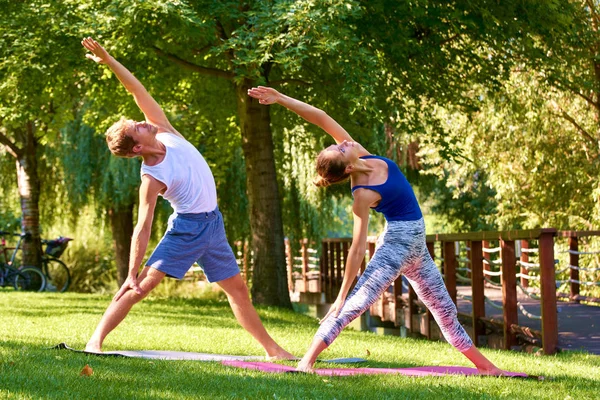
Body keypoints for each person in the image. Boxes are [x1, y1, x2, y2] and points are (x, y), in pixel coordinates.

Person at [247, 86, 504, 375]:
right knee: (355, 303)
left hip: (417, 248)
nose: (344, 142)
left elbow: (319, 117)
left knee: (444, 311)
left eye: (340, 144)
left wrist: (280, 98)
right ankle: (307, 362)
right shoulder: (362, 195)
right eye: (341, 148)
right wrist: (341, 294)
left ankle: (486, 367)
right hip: (397, 244)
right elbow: (356, 248)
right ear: (346, 168)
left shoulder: (363, 155)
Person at [80, 38, 294, 360]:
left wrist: (110, 61)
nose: (142, 121)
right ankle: (95, 341)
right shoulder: (152, 177)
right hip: (187, 229)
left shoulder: (165, 132)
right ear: (137, 147)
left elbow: (137, 91)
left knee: (237, 289)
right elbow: (142, 226)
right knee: (142, 286)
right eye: (136, 127)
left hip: (213, 225)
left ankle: (273, 350)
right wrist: (130, 272)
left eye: (136, 121)